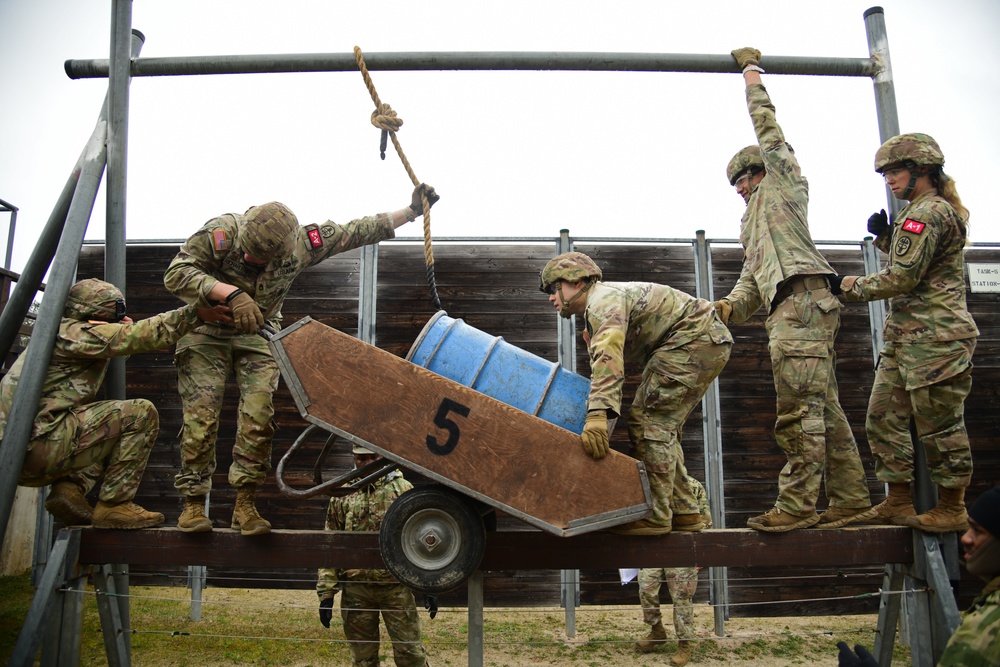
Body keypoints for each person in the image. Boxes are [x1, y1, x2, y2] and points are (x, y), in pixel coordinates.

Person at [163, 184, 438, 536]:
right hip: (205, 329)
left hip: (258, 334)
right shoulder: (221, 233)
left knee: (259, 416)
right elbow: (176, 272)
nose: (250, 262)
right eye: (246, 255)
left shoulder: (303, 244)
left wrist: (411, 211)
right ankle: (192, 503)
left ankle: (245, 503)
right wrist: (229, 293)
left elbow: (356, 230)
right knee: (201, 416)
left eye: (259, 260)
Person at [714, 47, 874, 533]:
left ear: (764, 169)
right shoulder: (750, 224)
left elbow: (769, 130)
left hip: (803, 303)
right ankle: (849, 498)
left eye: (746, 177)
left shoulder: (784, 184)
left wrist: (751, 76)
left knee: (799, 411)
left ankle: (798, 504)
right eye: (736, 183)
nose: (742, 188)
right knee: (823, 406)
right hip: (789, 308)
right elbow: (752, 279)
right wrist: (726, 308)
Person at [831, 133, 978, 533]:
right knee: (882, 417)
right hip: (907, 338)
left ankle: (952, 506)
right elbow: (920, 262)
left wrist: (844, 286)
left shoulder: (927, 213)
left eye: (895, 171)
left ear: (922, 171)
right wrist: (886, 239)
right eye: (886, 173)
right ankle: (897, 500)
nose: (889, 180)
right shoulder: (924, 212)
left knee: (941, 427)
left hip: (936, 339)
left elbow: (902, 277)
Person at [538, 251, 732, 536]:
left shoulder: (602, 301)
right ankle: (685, 511)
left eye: (555, 288)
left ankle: (657, 515)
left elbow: (608, 359)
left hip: (694, 338)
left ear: (577, 282)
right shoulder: (600, 306)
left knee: (648, 423)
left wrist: (597, 415)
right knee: (659, 426)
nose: (551, 298)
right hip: (698, 339)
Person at [0, 278, 209, 529]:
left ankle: (69, 490)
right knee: (139, 414)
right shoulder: (73, 333)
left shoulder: (59, 332)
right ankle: (114, 505)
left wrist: (119, 330)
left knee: (107, 429)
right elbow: (146, 336)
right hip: (35, 446)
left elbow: (119, 342)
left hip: (23, 449)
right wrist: (197, 312)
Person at [838, 484, 1000, 667]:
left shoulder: (994, 618)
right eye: (968, 528)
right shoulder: (990, 599)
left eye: (978, 531)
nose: (965, 539)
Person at [316, 444, 429, 667]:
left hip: (395, 587)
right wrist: (326, 593)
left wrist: (427, 583)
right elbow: (330, 543)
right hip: (357, 588)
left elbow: (419, 540)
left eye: (373, 457)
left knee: (411, 655)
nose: (367, 463)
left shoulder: (403, 490)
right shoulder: (342, 494)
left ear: (383, 457)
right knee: (363, 659)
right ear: (353, 458)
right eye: (361, 458)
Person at [634, 475, 712, 666]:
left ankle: (684, 643)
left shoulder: (692, 486)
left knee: (681, 597)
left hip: (683, 551)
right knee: (646, 587)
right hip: (655, 548)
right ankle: (657, 631)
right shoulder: (651, 484)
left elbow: (706, 520)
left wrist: (700, 554)